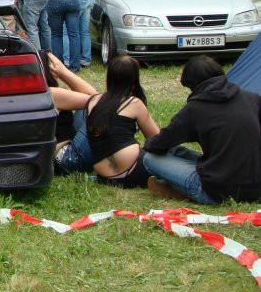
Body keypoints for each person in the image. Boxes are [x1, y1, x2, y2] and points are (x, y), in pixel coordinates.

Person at [143, 56, 261, 203]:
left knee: (150, 159)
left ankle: (185, 190)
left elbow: (158, 144)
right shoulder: (252, 98)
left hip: (218, 192)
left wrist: (146, 145)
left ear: (193, 85)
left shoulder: (195, 108)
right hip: (256, 189)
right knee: (177, 151)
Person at [85, 56, 159, 188]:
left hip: (105, 176)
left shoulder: (93, 101)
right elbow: (156, 138)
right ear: (134, 79)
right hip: (133, 169)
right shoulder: (134, 103)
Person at [41, 51, 97, 174]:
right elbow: (96, 100)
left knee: (84, 109)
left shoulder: (39, 93)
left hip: (58, 156)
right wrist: (63, 72)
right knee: (97, 111)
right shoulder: (52, 93)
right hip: (67, 158)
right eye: (54, 63)